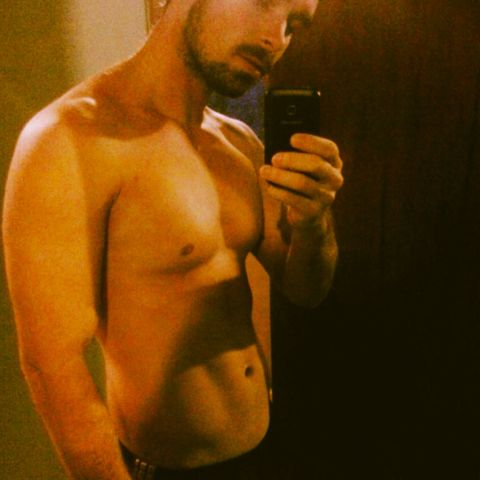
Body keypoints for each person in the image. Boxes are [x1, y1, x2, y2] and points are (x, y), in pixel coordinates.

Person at [2, 0, 343, 478]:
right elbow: (52, 366)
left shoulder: (239, 142)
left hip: (269, 440)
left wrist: (314, 221)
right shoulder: (69, 137)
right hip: (170, 468)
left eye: (294, 25)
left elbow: (306, 289)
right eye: (264, 2)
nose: (277, 38)